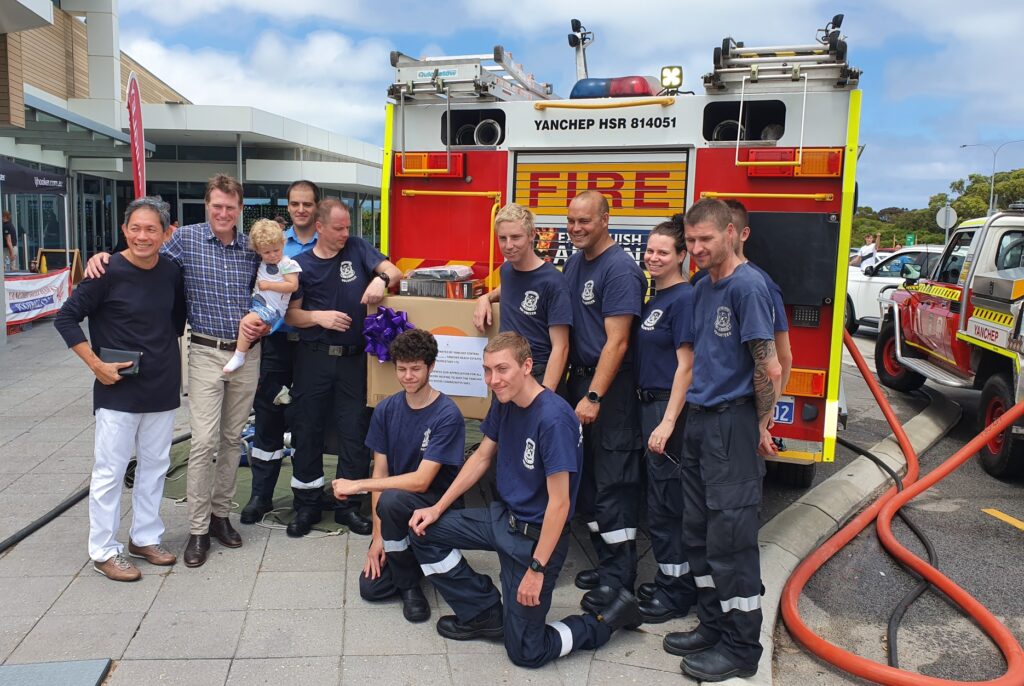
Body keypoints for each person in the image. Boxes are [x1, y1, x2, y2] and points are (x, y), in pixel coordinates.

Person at [407, 332, 642, 668]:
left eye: (502, 369)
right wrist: (437, 507)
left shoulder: (554, 419)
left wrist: (537, 570)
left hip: (536, 540)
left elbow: (560, 504)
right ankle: (484, 612)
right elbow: (480, 457)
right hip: (503, 519)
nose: (493, 379)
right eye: (488, 370)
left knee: (527, 653)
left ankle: (607, 619)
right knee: (423, 531)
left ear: (527, 366)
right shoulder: (505, 402)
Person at [84, 174, 266, 569]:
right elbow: (141, 248)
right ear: (207, 206)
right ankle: (197, 529)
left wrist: (267, 320)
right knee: (202, 442)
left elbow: (272, 289)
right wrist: (103, 256)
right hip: (203, 351)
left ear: (239, 209)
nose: (222, 213)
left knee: (232, 439)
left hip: (246, 354)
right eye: (216, 205)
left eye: (230, 208)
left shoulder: (252, 247)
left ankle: (220, 517)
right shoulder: (184, 240)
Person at [662, 198, 782, 682]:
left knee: (731, 539)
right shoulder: (703, 286)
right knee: (699, 531)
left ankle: (741, 646)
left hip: (732, 425)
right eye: (690, 241)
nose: (696, 249)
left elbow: (768, 364)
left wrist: (761, 424)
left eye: (704, 239)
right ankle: (713, 624)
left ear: (731, 233)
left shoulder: (748, 287)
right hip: (700, 421)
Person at [54, 197, 186, 581]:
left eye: (151, 229)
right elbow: (65, 319)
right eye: (135, 228)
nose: (142, 236)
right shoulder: (105, 271)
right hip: (117, 386)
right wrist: (95, 365)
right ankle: (104, 550)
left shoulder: (172, 271)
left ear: (165, 234)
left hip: (161, 384)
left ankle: (144, 537)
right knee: (110, 470)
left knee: (155, 466)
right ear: (125, 230)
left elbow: (174, 322)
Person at [284, 198, 403, 537]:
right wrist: (317, 317)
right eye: (338, 228)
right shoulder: (300, 264)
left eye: (347, 227)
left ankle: (347, 505)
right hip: (314, 356)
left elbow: (394, 271)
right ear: (319, 227)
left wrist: (380, 279)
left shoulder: (357, 248)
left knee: (354, 431)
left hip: (354, 359)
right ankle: (306, 504)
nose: (344, 233)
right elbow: (290, 315)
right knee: (307, 429)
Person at [331, 329, 465, 623]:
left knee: (392, 501)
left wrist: (357, 485)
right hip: (394, 509)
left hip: (434, 506)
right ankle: (411, 557)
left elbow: (421, 481)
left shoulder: (447, 414)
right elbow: (382, 471)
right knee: (371, 588)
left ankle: (409, 586)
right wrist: (378, 538)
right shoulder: (386, 409)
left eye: (416, 368)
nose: (407, 376)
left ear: (431, 366)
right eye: (401, 368)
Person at [561, 190, 646, 615]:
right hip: (580, 385)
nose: (576, 228)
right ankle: (607, 563)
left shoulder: (619, 269)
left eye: (585, 221)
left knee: (614, 484)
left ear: (606, 220)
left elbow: (619, 340)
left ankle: (620, 582)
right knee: (590, 484)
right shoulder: (576, 261)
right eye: (571, 220)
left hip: (607, 391)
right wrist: (489, 296)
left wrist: (594, 395)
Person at [241, 180, 321, 524]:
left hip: (309, 347)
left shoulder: (328, 243)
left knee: (306, 420)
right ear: (288, 207)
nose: (301, 209)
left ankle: (306, 499)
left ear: (316, 206)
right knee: (268, 416)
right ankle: (261, 495)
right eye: (295, 203)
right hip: (273, 345)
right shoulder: (270, 243)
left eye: (307, 203)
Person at [632, 220, 698, 624]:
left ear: (681, 256)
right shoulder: (655, 297)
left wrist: (668, 422)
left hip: (665, 410)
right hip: (647, 407)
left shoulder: (684, 299)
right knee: (657, 500)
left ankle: (676, 592)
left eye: (662, 252)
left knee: (667, 505)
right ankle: (667, 579)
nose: (653, 258)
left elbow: (687, 367)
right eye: (649, 251)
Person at [691, 200, 792, 390]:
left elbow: (782, 356)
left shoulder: (762, 285)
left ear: (742, 233)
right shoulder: (699, 282)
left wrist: (769, 409)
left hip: (735, 407)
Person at [472, 203, 572, 390]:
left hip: (537, 374)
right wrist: (485, 298)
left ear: (532, 234)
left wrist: (544, 396)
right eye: (503, 238)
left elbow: (561, 347)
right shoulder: (507, 270)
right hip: (504, 372)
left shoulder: (553, 282)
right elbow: (509, 288)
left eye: (516, 237)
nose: (508, 245)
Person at [223, 220, 301, 373]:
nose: (272, 255)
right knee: (247, 324)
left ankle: (239, 356)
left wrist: (268, 285)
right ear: (258, 251)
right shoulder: (262, 262)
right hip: (259, 303)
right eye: (266, 252)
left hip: (273, 308)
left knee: (247, 322)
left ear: (283, 244)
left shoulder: (287, 263)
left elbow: (293, 286)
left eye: (276, 250)